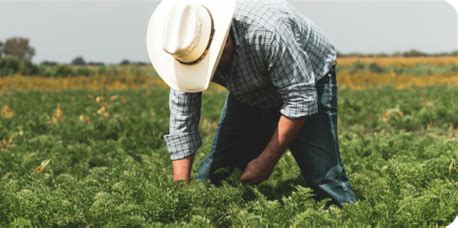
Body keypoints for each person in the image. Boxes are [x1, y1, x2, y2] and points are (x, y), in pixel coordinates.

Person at [147, 0, 357, 206]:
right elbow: (182, 120)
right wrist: (180, 191)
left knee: (324, 177)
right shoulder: (184, 51)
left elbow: (300, 99)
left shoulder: (268, 31)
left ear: (223, 38)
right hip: (249, 91)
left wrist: (267, 160)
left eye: (210, 60)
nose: (210, 68)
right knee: (217, 177)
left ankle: (350, 215)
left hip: (309, 79)